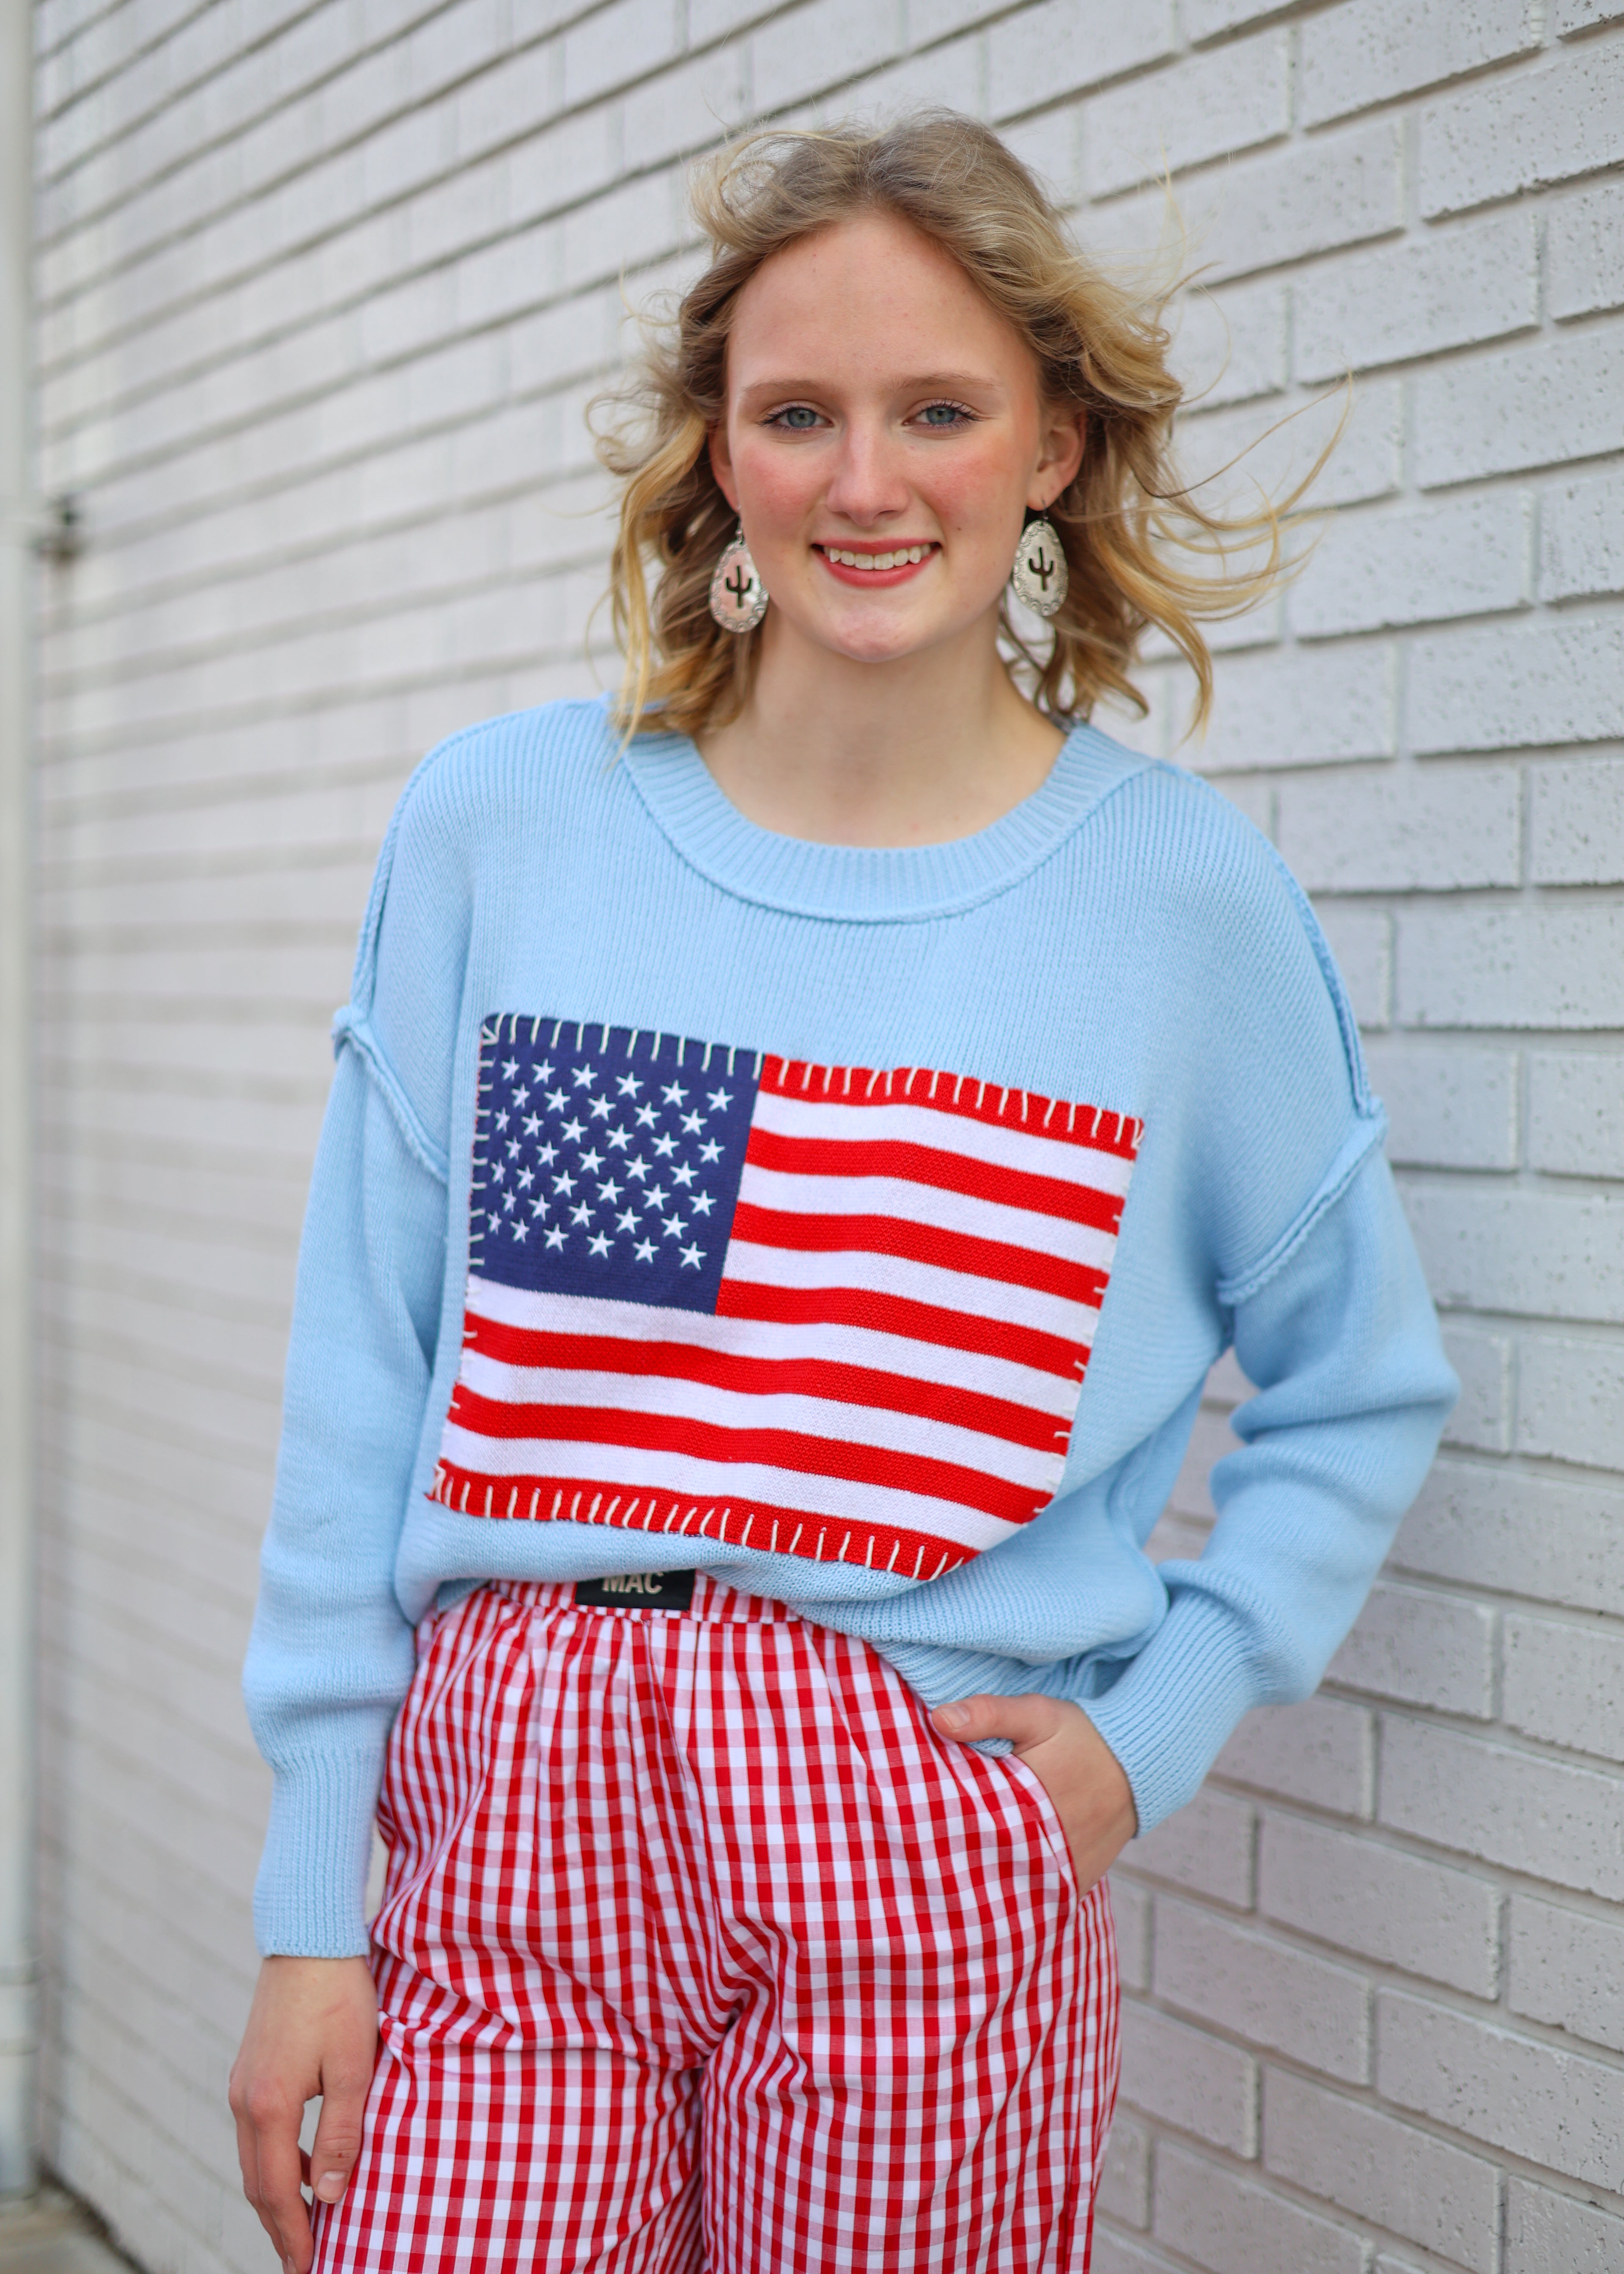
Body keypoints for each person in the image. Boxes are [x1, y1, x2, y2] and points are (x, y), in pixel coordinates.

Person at [228, 113, 1456, 2274]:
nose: (864, 483)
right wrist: (312, 1903)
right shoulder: (505, 828)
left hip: (922, 1808)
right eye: (797, 413)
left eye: (940, 411)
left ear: (1056, 446)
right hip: (509, 1796)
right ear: (720, 447)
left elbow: (1357, 1386)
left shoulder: (1183, 905)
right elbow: (366, 1368)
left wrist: (1141, 1737)